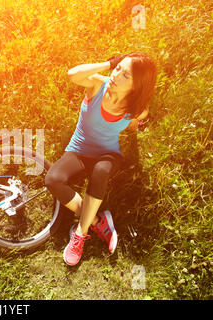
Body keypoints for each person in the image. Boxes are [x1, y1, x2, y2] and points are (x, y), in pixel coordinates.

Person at [45, 52, 157, 266]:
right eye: (118, 69)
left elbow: (139, 119)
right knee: (53, 180)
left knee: (101, 171)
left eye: (126, 75)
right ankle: (98, 220)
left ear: (137, 86)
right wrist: (109, 63)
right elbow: (73, 74)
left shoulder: (136, 109)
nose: (116, 75)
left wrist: (136, 129)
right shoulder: (97, 84)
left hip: (108, 154)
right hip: (78, 150)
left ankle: (80, 232)